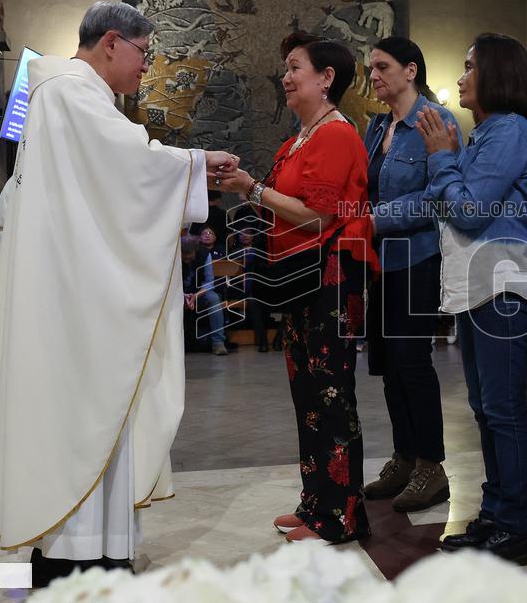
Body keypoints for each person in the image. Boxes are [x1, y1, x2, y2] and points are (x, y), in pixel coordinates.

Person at [0, 1, 237, 586]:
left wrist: (187, 169)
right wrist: (196, 163)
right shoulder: (71, 95)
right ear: (112, 42)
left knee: (95, 409)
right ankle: (77, 554)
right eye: (145, 53)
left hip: (75, 285)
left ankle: (100, 547)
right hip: (73, 298)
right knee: (83, 410)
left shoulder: (70, 96)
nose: (147, 67)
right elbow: (130, 167)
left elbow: (118, 177)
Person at [212, 31, 377, 544]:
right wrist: (251, 189)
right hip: (300, 277)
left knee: (331, 393)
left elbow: (317, 215)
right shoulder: (297, 139)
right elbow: (281, 207)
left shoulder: (336, 135)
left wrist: (253, 189)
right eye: (285, 68)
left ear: (327, 79)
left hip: (331, 275)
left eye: (295, 68)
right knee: (307, 393)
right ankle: (316, 503)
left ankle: (342, 515)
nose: (285, 77)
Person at [420, 33, 527, 565]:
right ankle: (495, 512)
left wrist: (442, 159)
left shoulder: (511, 130)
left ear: (495, 74)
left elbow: (468, 211)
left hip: (504, 286)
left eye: (469, 67)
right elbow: (448, 204)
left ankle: (515, 526)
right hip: (479, 286)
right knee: (485, 408)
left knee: (503, 409)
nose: (461, 78)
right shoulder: (486, 133)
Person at [362, 36, 461, 512]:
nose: (374, 76)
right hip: (378, 260)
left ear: (411, 71)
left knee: (413, 362)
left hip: (416, 256)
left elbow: (437, 196)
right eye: (371, 69)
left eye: (382, 67)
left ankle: (432, 466)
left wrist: (377, 219)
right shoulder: (377, 125)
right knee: (386, 363)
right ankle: (403, 456)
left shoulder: (435, 121)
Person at [183, 228, 229, 355]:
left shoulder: (204, 254)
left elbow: (209, 282)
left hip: (199, 292)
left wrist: (195, 296)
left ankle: (218, 343)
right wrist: (183, 296)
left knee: (214, 299)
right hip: (179, 292)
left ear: (195, 252)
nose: (187, 261)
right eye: (184, 258)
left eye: (190, 258)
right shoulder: (174, 256)